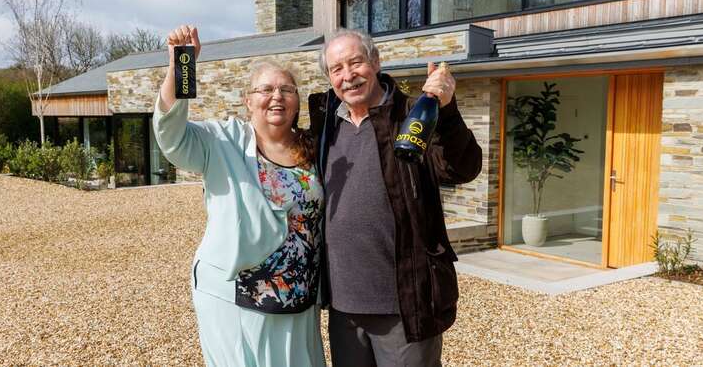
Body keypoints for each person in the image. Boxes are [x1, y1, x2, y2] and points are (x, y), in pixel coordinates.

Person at [308, 29, 482, 367]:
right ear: (329, 77)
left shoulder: (412, 114)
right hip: (344, 308)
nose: (348, 75)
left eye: (356, 62)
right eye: (336, 69)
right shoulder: (326, 124)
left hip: (405, 304)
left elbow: (462, 168)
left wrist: (445, 111)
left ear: (375, 62)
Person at [153, 25, 325, 367]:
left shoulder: (313, 147)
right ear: (248, 100)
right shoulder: (222, 141)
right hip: (237, 294)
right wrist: (181, 65)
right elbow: (172, 138)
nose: (277, 96)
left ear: (296, 101)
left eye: (286, 89)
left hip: (299, 296)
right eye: (266, 89)